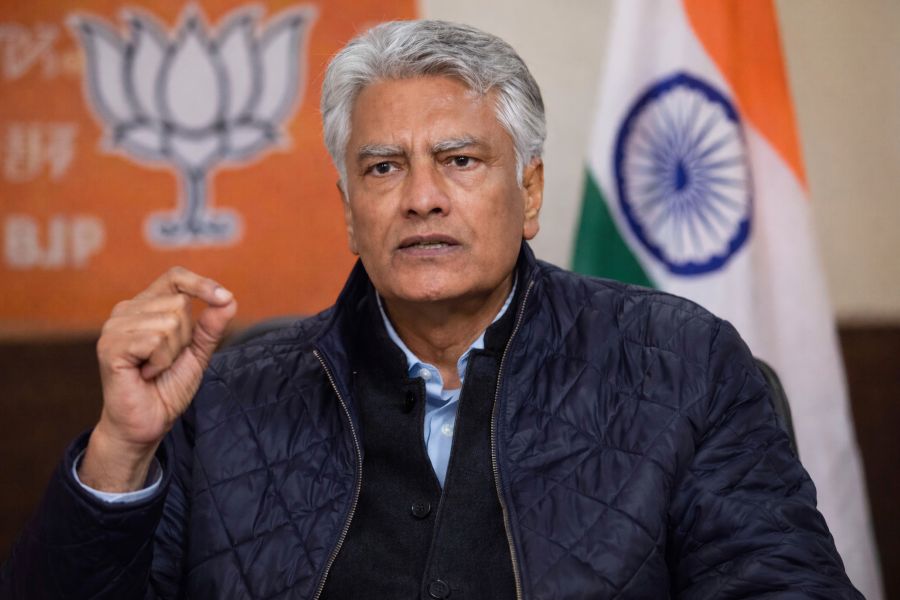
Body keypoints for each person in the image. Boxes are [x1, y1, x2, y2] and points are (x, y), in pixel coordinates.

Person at [1, 20, 861, 599]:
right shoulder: (228, 397)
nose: (421, 198)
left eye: (459, 160)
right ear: (349, 211)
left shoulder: (682, 364)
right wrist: (122, 448)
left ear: (529, 193)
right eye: (383, 168)